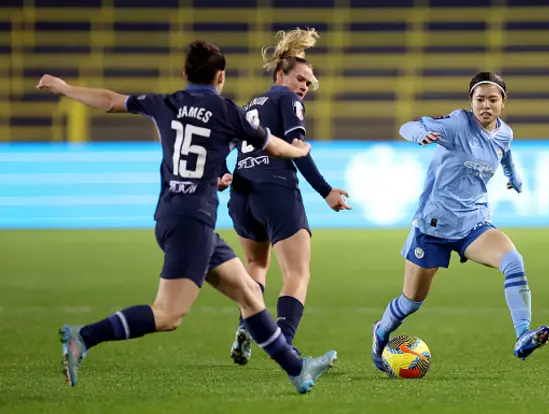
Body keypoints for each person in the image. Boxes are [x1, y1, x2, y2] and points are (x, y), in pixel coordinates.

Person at [36, 40, 336, 394]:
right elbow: (272, 144)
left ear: (184, 74)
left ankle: (298, 371)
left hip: (175, 216)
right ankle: (83, 337)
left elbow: (110, 100)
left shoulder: (167, 103)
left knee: (250, 295)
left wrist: (66, 88)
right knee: (168, 315)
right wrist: (299, 149)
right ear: (221, 76)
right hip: (193, 221)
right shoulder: (226, 111)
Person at [370, 72, 549, 372]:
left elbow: (505, 154)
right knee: (411, 301)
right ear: (471, 102)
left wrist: (514, 179)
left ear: (503, 103)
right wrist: (419, 135)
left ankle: (522, 336)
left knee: (513, 261)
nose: (486, 105)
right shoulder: (456, 124)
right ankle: (380, 332)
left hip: (474, 224)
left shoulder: (505, 133)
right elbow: (409, 125)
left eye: (493, 99)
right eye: (479, 99)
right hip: (433, 227)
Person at [225, 28, 350, 365]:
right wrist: (326, 191)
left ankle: (245, 328)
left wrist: (221, 173)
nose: (304, 88)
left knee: (256, 264)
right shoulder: (286, 100)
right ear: (281, 74)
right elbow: (296, 149)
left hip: (241, 194)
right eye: (301, 79)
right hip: (275, 189)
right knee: (297, 272)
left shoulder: (248, 106)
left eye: (308, 84)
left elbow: (226, 146)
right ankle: (284, 343)